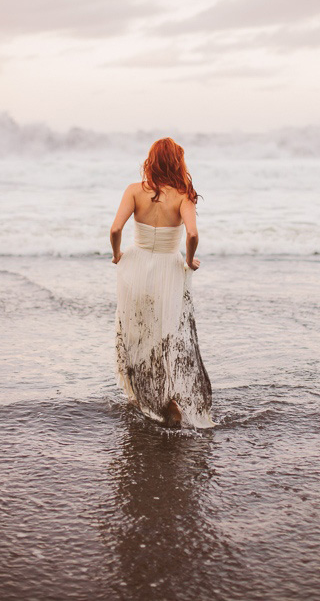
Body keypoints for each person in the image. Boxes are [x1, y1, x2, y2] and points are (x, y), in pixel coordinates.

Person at [110, 137, 214, 429]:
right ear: (177, 163)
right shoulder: (184, 195)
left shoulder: (134, 191)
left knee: (137, 334)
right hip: (169, 269)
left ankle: (148, 398)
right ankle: (166, 399)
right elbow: (192, 234)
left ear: (151, 161)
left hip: (136, 267)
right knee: (164, 335)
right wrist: (190, 260)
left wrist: (118, 255)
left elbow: (116, 228)